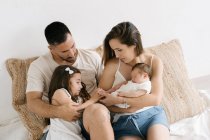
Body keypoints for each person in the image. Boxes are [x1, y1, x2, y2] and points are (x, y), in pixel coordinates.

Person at [26, 21, 114, 140]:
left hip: (93, 116)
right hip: (65, 124)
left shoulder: (92, 57)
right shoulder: (39, 67)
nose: (72, 53)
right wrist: (59, 112)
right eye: (64, 51)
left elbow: (105, 86)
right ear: (51, 48)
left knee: (97, 111)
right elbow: (32, 102)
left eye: (72, 45)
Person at [99, 22, 170, 140]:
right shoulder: (112, 65)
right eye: (114, 50)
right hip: (124, 122)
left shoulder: (154, 61)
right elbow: (102, 100)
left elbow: (155, 99)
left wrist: (120, 100)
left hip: (152, 116)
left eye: (119, 50)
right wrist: (126, 108)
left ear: (134, 45)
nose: (116, 55)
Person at [46, 65, 102, 140]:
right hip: (61, 134)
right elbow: (74, 110)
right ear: (65, 81)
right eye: (78, 82)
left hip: (75, 134)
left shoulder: (78, 98)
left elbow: (86, 108)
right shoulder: (60, 93)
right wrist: (92, 100)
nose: (81, 86)